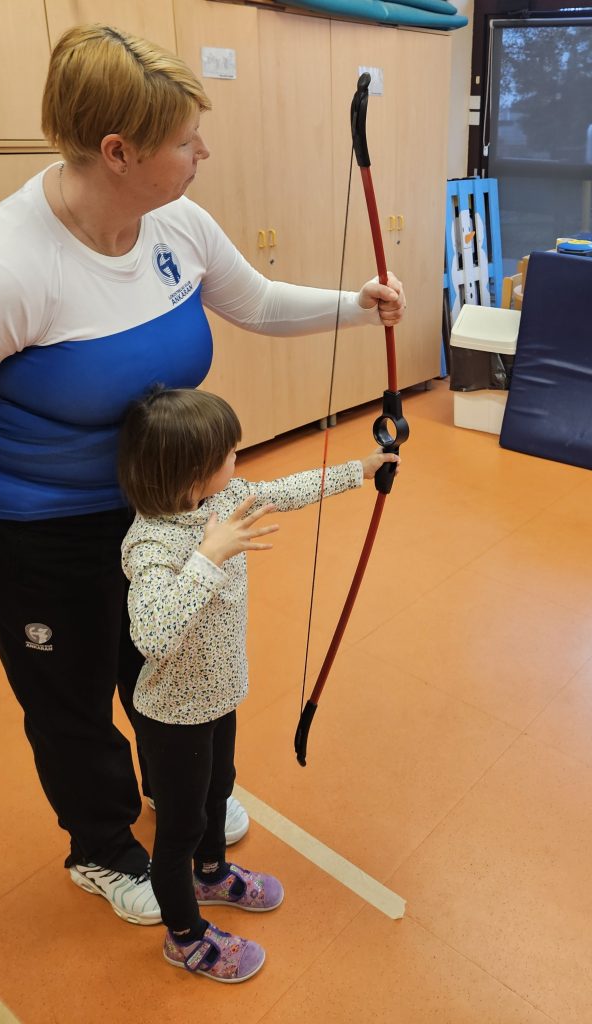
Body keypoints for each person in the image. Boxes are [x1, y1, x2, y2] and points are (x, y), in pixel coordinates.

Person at [0, 23, 405, 926]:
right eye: (185, 141)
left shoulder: (176, 221)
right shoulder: (2, 269)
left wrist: (357, 308)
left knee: (163, 660)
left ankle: (181, 795)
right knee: (71, 695)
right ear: (117, 151)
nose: (202, 153)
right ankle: (102, 846)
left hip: (162, 509)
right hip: (34, 526)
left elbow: (257, 302)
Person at [116, 386, 398, 981]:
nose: (238, 458)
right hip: (174, 717)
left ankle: (212, 874)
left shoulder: (225, 497)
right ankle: (184, 937)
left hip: (220, 693)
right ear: (192, 477)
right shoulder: (150, 543)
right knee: (180, 829)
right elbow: (153, 635)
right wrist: (209, 556)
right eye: (228, 453)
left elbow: (285, 490)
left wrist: (361, 470)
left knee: (219, 789)